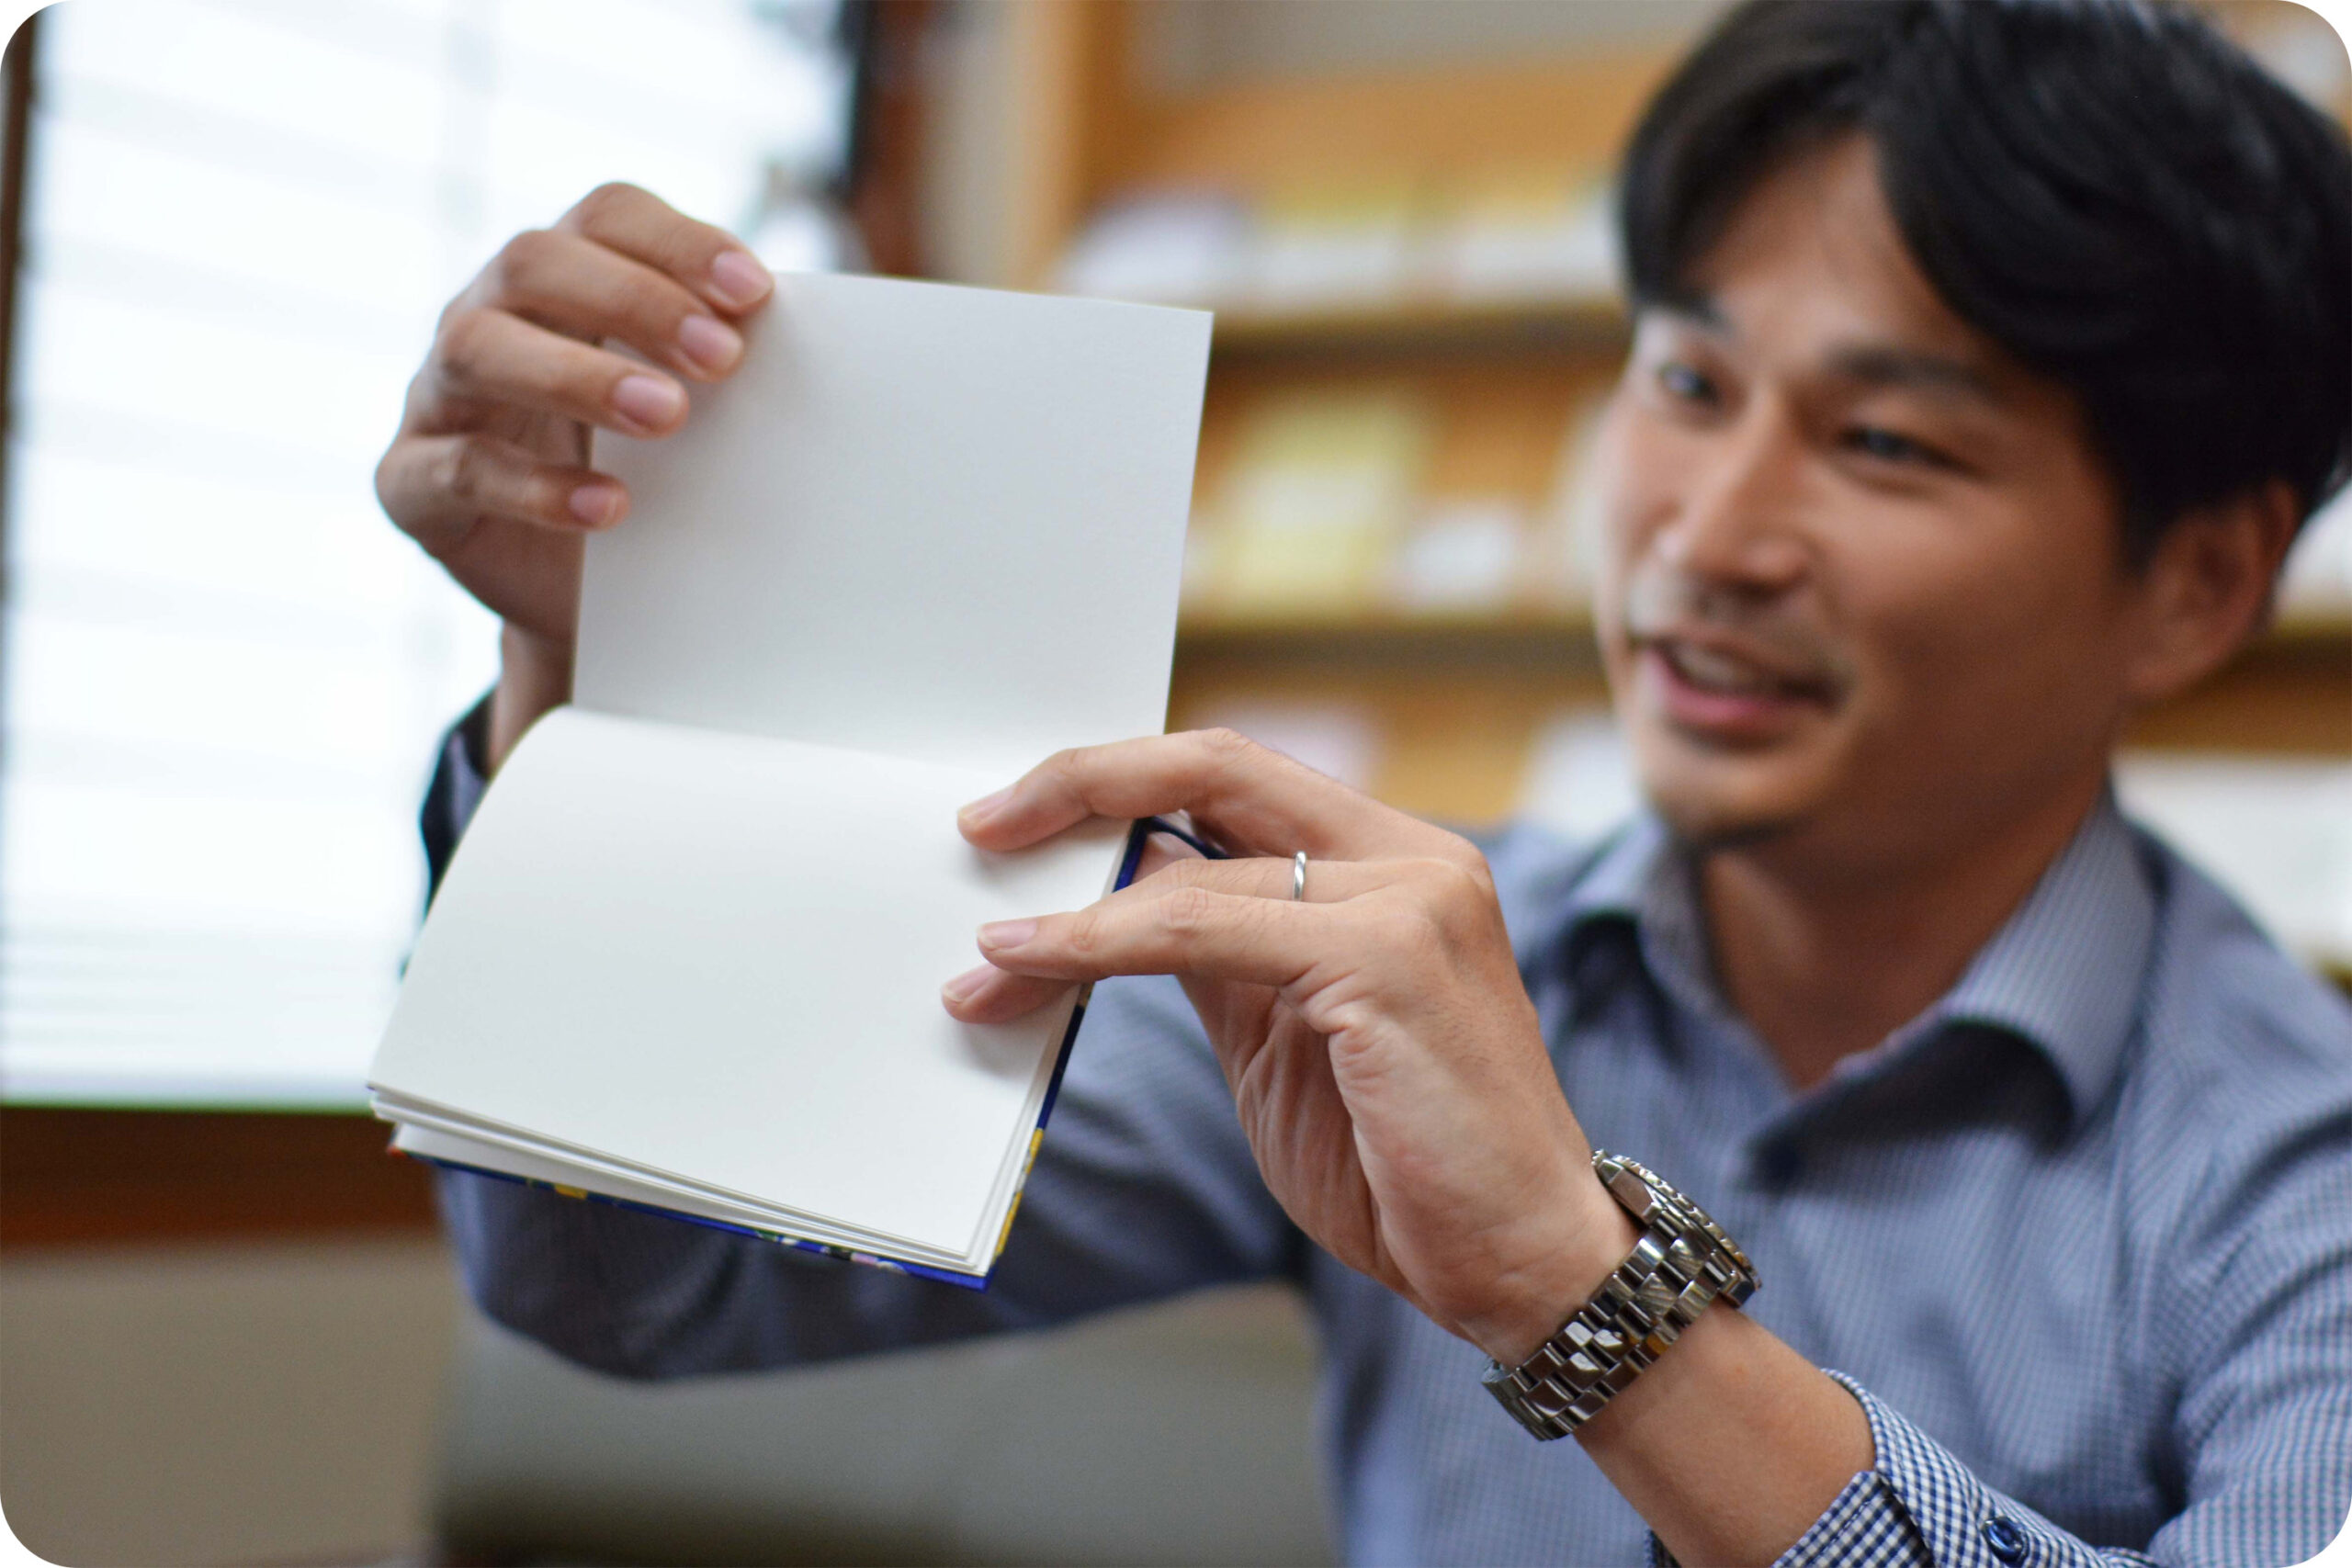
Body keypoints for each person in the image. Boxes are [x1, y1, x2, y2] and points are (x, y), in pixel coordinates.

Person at [375, 3, 2352, 1563]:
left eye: (1889, 445)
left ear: (2192, 578)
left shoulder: (2288, 1168)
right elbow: (630, 1284)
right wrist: (587, 685)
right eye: (1681, 382)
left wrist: (1590, 1299)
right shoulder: (1366, 961)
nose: (1708, 532)